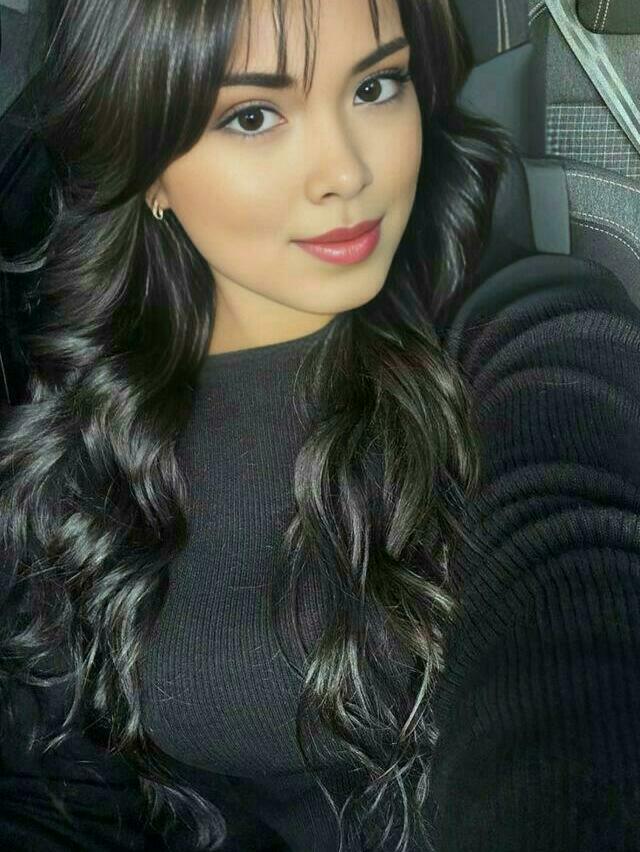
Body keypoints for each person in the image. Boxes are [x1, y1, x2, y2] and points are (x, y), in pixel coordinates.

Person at [0, 0, 639, 850]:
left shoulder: (520, 330)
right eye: (252, 116)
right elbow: (61, 787)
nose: (344, 171)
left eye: (376, 87)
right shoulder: (79, 429)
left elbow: (573, 589)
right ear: (148, 165)